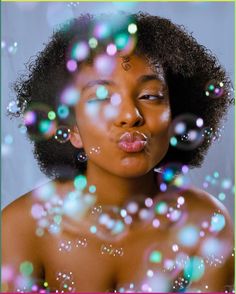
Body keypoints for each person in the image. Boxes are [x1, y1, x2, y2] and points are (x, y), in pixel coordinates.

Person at [2, 13, 234, 292]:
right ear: (71, 128)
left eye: (149, 96)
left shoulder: (206, 223)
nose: (129, 115)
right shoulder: (20, 229)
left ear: (176, 115)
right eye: (101, 98)